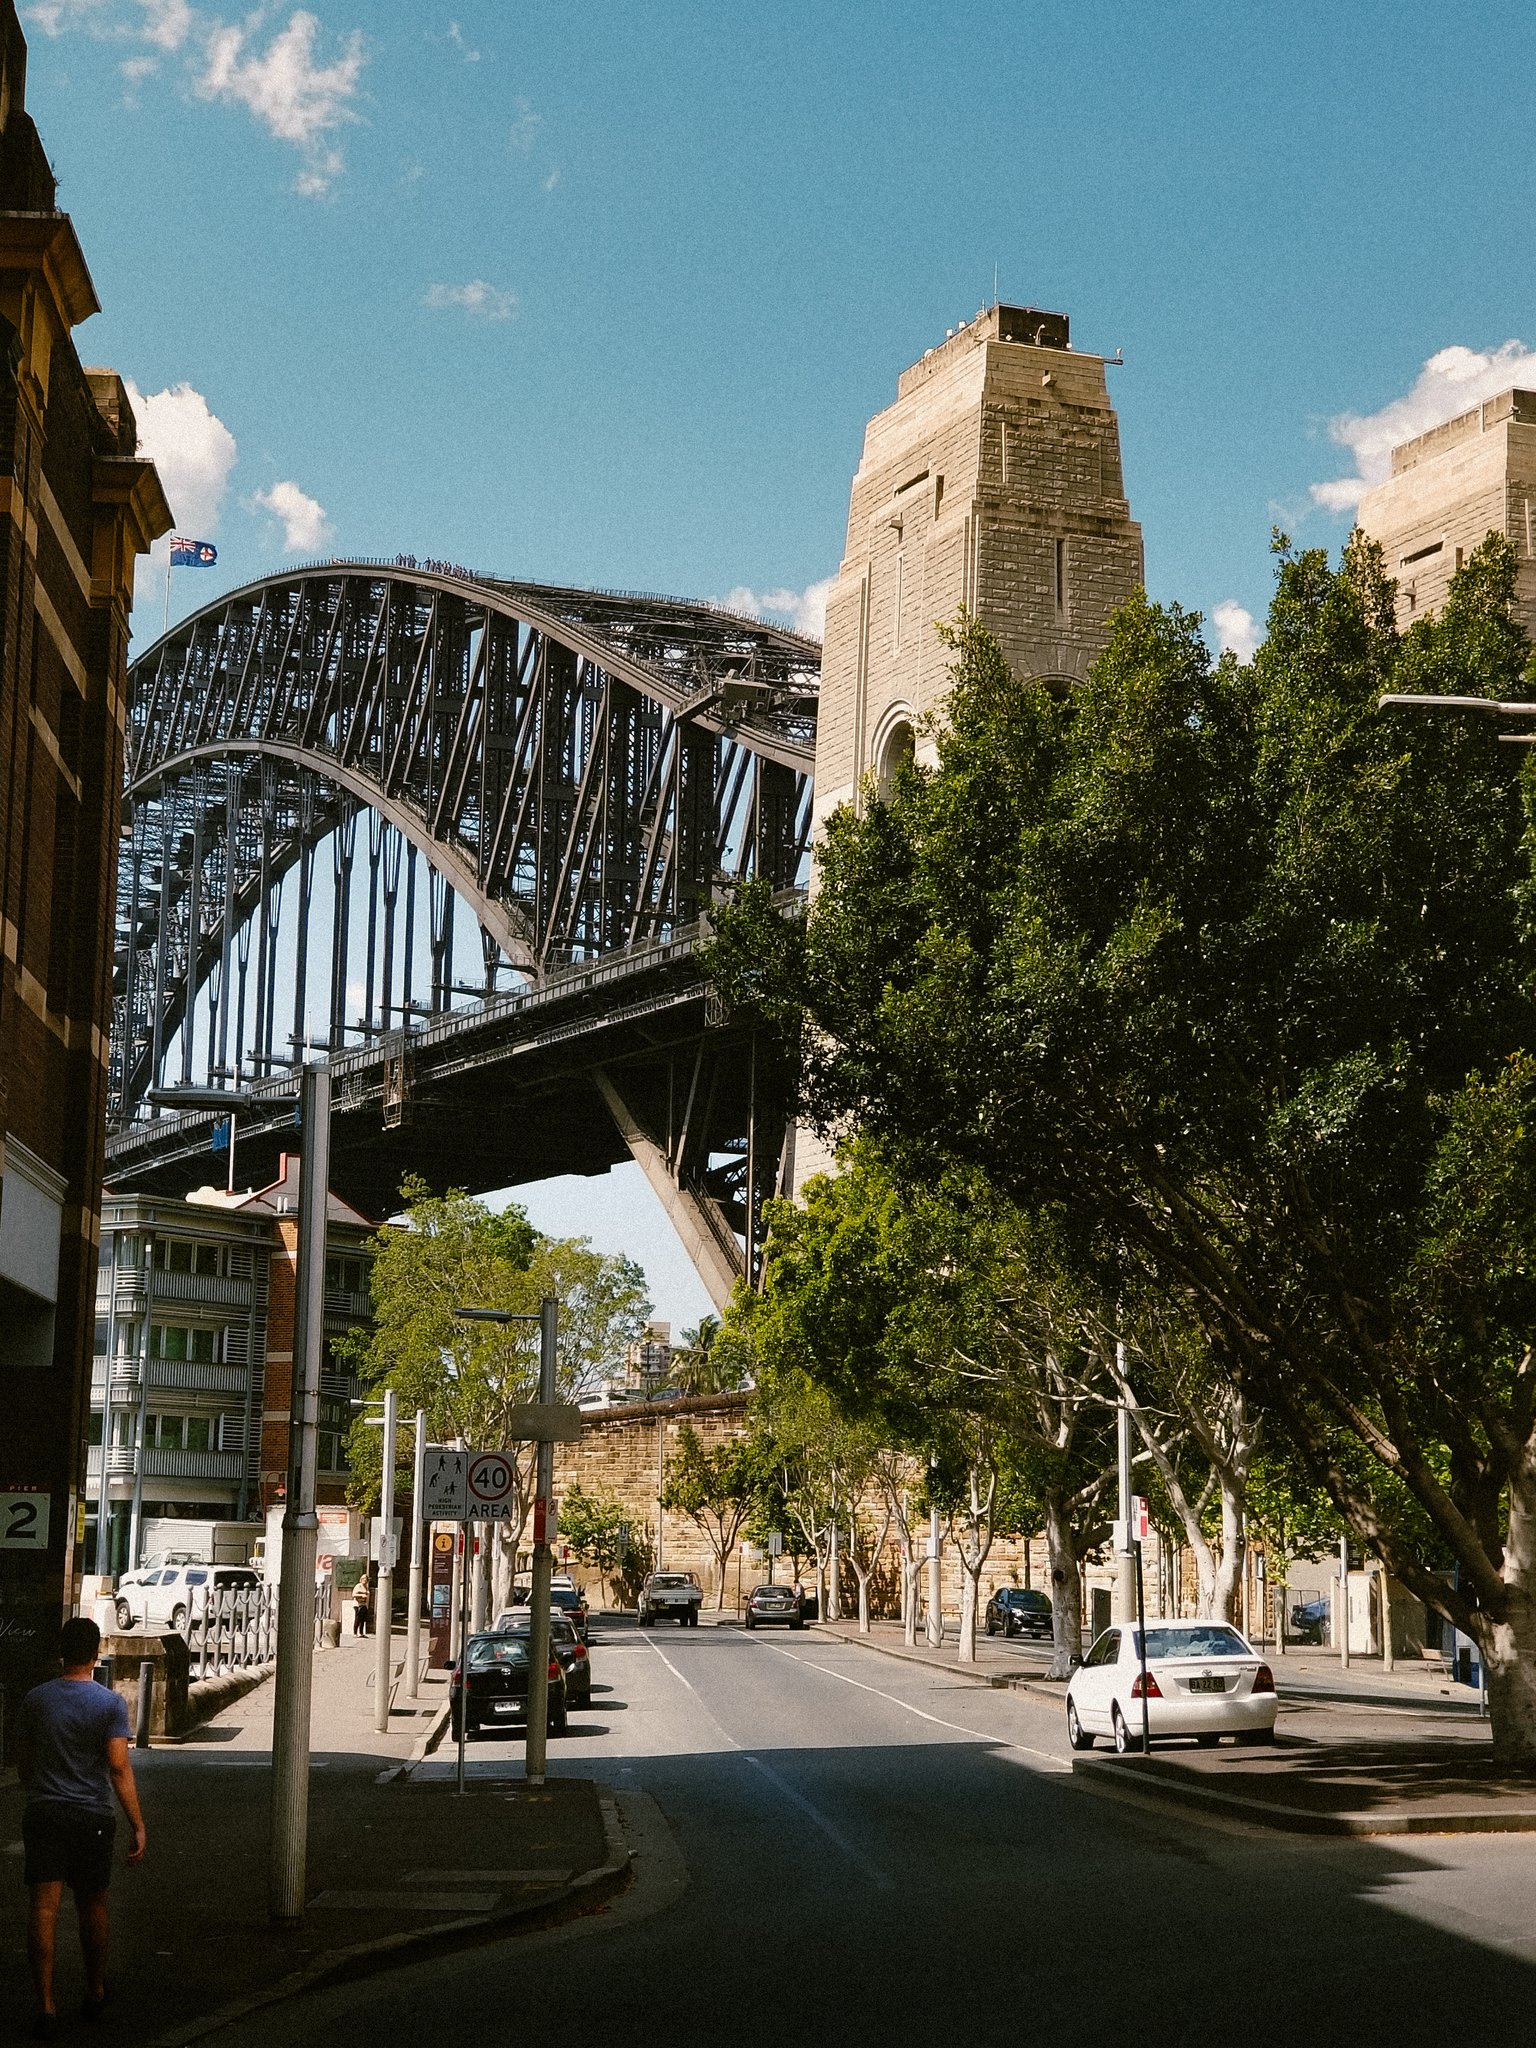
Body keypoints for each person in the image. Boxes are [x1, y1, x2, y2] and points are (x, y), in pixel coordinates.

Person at [16, 1616, 146, 2040]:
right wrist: (137, 1824)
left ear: (61, 1651)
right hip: (91, 1815)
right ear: (96, 1654)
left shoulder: (36, 1700)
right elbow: (118, 1767)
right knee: (93, 1906)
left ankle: (46, 2006)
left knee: (43, 1909)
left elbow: (25, 1763)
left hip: (45, 1812)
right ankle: (94, 1990)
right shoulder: (109, 1704)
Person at [351, 1571, 372, 1637]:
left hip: (364, 1604)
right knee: (357, 1618)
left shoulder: (366, 1587)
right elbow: (353, 1594)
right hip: (358, 1604)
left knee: (362, 1619)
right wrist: (361, 1595)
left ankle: (361, 1632)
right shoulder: (358, 1586)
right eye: (363, 1579)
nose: (365, 1580)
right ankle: (355, 1633)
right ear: (361, 1579)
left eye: (366, 1579)